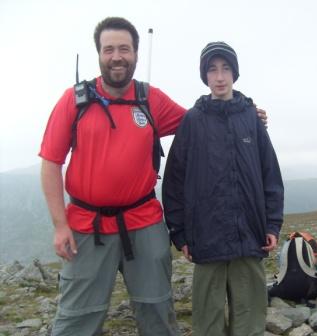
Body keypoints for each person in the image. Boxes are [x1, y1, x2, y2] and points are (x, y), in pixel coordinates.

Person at [40, 17, 267, 336]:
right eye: (109, 49)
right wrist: (59, 225)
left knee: (157, 310)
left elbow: (200, 119)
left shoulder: (151, 99)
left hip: (143, 220)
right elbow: (50, 162)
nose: (117, 56)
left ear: (135, 53)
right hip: (85, 224)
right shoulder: (74, 101)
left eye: (124, 48)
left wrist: (244, 112)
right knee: (77, 316)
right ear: (99, 54)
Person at [162, 41, 284, 336]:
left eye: (226, 69)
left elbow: (270, 175)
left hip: (249, 237)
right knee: (208, 323)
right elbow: (174, 181)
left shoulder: (250, 119)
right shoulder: (193, 120)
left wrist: (272, 224)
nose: (219, 77)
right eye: (213, 70)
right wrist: (180, 234)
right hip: (207, 239)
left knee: (250, 319)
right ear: (205, 76)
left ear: (235, 74)